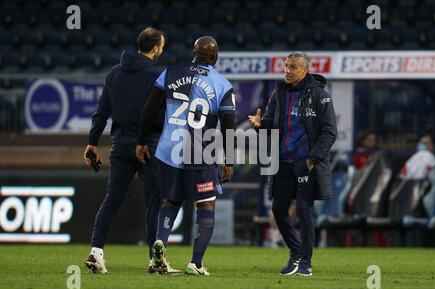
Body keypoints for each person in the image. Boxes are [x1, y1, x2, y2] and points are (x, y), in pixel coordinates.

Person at [136, 36, 236, 276]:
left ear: (194, 52)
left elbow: (149, 109)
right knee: (206, 205)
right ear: (215, 56)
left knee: (171, 201)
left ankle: (158, 248)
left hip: (168, 150)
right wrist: (229, 161)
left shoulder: (170, 73)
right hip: (199, 152)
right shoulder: (222, 85)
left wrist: (141, 141)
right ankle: (196, 263)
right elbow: (229, 127)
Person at [84, 27, 169, 274]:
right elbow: (161, 114)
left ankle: (96, 252)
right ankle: (155, 260)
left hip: (119, 145)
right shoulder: (158, 75)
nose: (162, 50)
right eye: (162, 46)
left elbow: (101, 111)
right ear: (155, 48)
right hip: (148, 146)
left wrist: (92, 143)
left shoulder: (114, 73)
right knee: (154, 201)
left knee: (112, 199)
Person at [248, 52, 337, 276]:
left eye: (293, 67)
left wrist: (313, 158)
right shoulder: (279, 92)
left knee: (304, 211)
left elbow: (329, 131)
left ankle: (305, 262)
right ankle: (295, 253)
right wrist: (260, 125)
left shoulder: (320, 95)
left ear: (305, 70)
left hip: (305, 162)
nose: (287, 70)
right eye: (286, 66)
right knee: (278, 209)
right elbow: (270, 122)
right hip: (282, 161)